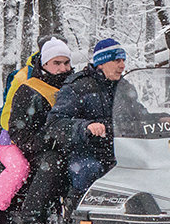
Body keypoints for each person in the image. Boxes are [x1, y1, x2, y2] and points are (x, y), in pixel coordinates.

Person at [0, 38, 74, 224]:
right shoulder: (29, 87)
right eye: (57, 63)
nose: (63, 68)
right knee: (23, 168)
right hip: (19, 144)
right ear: (45, 62)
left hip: (53, 142)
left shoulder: (73, 86)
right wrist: (46, 141)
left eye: (66, 63)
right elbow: (18, 128)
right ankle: (3, 211)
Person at [45, 38, 129, 211]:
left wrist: (160, 118)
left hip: (119, 149)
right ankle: (76, 219)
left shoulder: (124, 87)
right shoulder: (78, 87)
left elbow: (138, 113)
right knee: (89, 169)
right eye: (116, 60)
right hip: (84, 150)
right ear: (101, 63)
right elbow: (55, 123)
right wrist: (85, 127)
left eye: (123, 60)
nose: (122, 65)